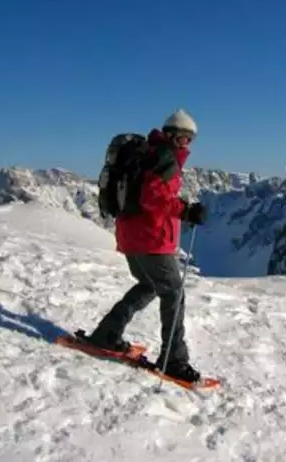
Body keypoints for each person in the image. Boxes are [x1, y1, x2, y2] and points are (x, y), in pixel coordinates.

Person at [86, 108, 207, 383]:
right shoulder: (165, 159)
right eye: (185, 138)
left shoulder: (148, 154)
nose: (188, 145)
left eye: (191, 140)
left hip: (130, 236)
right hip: (151, 238)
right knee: (173, 294)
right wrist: (185, 210)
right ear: (173, 136)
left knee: (149, 285)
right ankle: (173, 360)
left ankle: (107, 334)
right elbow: (152, 198)